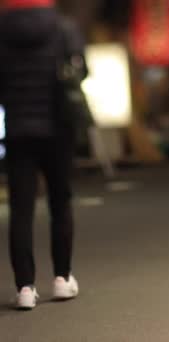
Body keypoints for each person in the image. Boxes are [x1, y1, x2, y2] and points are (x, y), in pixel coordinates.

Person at [0, 0, 84, 309]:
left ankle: (25, 287)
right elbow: (81, 71)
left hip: (19, 130)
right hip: (58, 128)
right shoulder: (63, 28)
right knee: (60, 202)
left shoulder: (2, 31)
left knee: (21, 209)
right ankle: (62, 278)